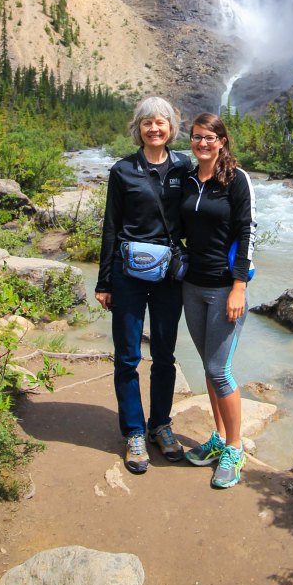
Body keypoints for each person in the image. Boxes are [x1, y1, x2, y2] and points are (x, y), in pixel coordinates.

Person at [95, 96, 191, 474]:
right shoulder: (122, 171)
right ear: (138, 128)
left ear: (171, 128)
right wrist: (105, 282)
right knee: (128, 357)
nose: (154, 128)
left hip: (169, 274)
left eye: (161, 122)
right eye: (147, 122)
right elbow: (110, 226)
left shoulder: (184, 168)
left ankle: (161, 425)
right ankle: (134, 432)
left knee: (165, 355)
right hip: (127, 274)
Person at [180, 111, 256, 488]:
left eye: (210, 137)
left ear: (222, 141)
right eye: (197, 137)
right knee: (209, 367)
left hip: (225, 288)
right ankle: (219, 437)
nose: (203, 143)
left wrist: (239, 287)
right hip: (191, 287)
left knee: (219, 370)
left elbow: (247, 233)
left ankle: (235, 448)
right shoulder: (189, 179)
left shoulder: (237, 180)